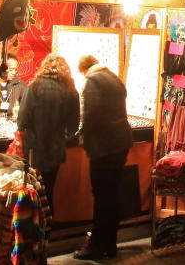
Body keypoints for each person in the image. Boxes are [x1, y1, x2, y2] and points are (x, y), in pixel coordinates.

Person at [74, 55, 132, 260]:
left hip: (104, 146)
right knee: (112, 195)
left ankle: (96, 246)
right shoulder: (114, 79)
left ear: (85, 69)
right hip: (121, 142)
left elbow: (90, 114)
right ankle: (110, 243)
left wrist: (83, 138)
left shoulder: (93, 81)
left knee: (101, 196)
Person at [16, 53, 80, 214]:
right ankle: (47, 229)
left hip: (34, 150)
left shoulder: (34, 86)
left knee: (32, 190)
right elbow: (74, 126)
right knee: (49, 190)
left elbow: (22, 119)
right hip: (55, 150)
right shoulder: (71, 91)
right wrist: (62, 138)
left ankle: (30, 229)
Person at [0, 53, 26, 121]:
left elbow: (26, 107)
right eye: (11, 70)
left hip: (11, 123)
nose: (14, 73)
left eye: (15, 69)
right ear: (2, 69)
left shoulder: (20, 85)